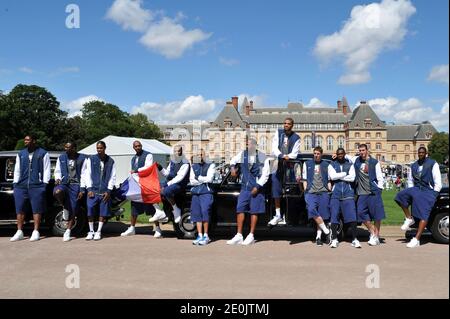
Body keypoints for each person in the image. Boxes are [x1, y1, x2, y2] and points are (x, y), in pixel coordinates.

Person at [395, 147, 442, 248]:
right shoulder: (414, 165)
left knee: (423, 213)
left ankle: (416, 239)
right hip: (417, 189)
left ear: (426, 153)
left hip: (428, 191)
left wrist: (434, 194)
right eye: (419, 153)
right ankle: (409, 218)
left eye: (422, 153)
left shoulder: (432, 163)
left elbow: (437, 180)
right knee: (400, 196)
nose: (420, 154)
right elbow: (410, 180)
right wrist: (412, 193)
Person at [227, 138, 271, 245]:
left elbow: (265, 174)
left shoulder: (262, 157)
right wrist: (232, 168)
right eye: (247, 144)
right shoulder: (243, 154)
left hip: (256, 188)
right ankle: (239, 235)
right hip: (244, 188)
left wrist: (257, 186)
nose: (248, 146)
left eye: (250, 144)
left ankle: (251, 235)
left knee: (254, 211)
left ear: (255, 145)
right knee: (240, 209)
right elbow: (232, 160)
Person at [10, 135, 51, 242]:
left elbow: (47, 169)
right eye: (25, 140)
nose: (25, 141)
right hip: (21, 185)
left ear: (34, 141)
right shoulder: (21, 153)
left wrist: (44, 184)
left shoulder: (43, 153)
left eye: (28, 140)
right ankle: (19, 232)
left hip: (37, 185)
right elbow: (17, 169)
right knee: (20, 209)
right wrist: (15, 183)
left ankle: (36, 231)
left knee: (36, 209)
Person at [345, 144, 386, 246]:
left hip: (373, 191)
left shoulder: (374, 162)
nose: (361, 152)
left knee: (376, 215)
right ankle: (373, 232)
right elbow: (346, 156)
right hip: (362, 193)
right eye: (360, 150)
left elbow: (380, 177)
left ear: (367, 151)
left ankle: (375, 236)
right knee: (360, 213)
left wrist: (379, 189)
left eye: (363, 150)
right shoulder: (356, 160)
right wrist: (335, 155)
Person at [120, 140, 163, 237]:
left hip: (146, 186)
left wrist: (136, 171)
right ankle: (132, 228)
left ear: (141, 146)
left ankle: (158, 229)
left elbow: (147, 168)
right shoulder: (133, 158)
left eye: (139, 146)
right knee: (134, 207)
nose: (138, 147)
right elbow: (134, 173)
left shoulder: (148, 155)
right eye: (136, 146)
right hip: (136, 187)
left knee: (151, 208)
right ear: (133, 148)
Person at [81, 141, 117, 241]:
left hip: (104, 191)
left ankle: (98, 231)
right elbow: (86, 174)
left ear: (105, 148)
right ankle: (91, 231)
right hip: (93, 191)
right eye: (98, 148)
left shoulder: (110, 161)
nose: (99, 150)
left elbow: (112, 177)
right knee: (90, 210)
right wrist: (89, 189)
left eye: (101, 148)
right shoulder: (91, 159)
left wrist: (109, 191)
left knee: (102, 212)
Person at [269, 117, 301, 226]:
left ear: (292, 125)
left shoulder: (296, 137)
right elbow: (274, 147)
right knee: (275, 186)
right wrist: (281, 155)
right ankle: (277, 214)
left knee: (290, 189)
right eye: (285, 123)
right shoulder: (278, 132)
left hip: (289, 165)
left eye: (288, 124)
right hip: (277, 163)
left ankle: (287, 215)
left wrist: (287, 157)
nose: (286, 125)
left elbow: (295, 154)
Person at [153, 144, 190, 237]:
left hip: (180, 184)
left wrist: (166, 185)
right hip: (170, 182)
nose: (177, 153)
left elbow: (179, 178)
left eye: (179, 151)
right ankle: (160, 212)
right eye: (175, 151)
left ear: (182, 152)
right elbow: (167, 174)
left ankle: (176, 210)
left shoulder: (185, 163)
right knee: (153, 189)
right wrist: (160, 167)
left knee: (166, 191)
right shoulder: (172, 161)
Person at [328, 148, 361, 248]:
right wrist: (344, 174)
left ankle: (355, 239)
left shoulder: (350, 165)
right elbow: (332, 177)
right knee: (334, 217)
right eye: (338, 154)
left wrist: (339, 176)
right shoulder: (331, 164)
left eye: (342, 153)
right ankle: (334, 239)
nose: (340, 155)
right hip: (336, 194)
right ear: (336, 155)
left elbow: (352, 178)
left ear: (344, 154)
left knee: (352, 218)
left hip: (348, 194)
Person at [53, 142, 86, 242]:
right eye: (65, 147)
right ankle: (64, 206)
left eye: (69, 147)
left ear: (74, 148)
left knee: (74, 207)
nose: (66, 149)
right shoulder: (61, 157)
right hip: (64, 183)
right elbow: (57, 171)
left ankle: (67, 231)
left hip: (76, 184)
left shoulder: (82, 158)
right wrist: (58, 178)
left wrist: (82, 189)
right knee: (57, 192)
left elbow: (85, 174)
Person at [301, 146, 331, 246]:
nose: (316, 155)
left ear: (321, 154)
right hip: (311, 192)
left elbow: (330, 178)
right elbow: (304, 178)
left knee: (321, 215)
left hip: (323, 192)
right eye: (315, 153)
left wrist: (329, 189)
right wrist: (306, 190)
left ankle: (318, 237)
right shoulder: (307, 163)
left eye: (318, 154)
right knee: (311, 209)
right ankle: (326, 231)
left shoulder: (326, 164)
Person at [190, 149, 215, 246]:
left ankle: (206, 236)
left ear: (205, 155)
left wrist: (198, 178)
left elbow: (210, 179)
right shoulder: (193, 166)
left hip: (206, 192)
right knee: (197, 214)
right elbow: (192, 181)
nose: (200, 156)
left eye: (201, 154)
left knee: (205, 212)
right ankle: (199, 235)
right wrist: (201, 179)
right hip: (196, 193)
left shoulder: (211, 165)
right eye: (198, 155)